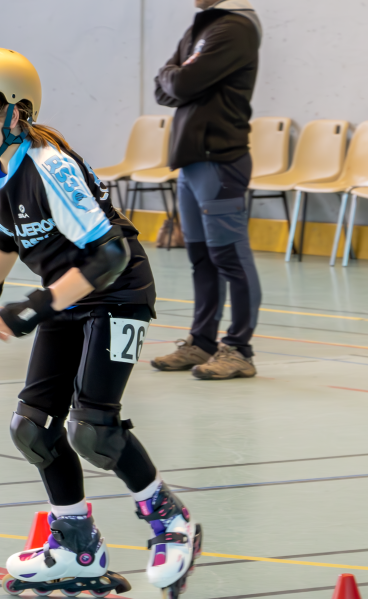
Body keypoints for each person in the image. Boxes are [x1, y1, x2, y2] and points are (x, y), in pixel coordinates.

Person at [0, 48, 202, 599]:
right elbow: (8, 234)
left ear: (15, 114)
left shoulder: (49, 165)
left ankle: (170, 520)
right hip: (69, 293)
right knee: (32, 428)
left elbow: (110, 255)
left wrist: (34, 307)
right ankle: (75, 546)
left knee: (93, 430)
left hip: (117, 293)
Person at [151, 0, 263, 380]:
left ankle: (240, 350)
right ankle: (202, 342)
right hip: (192, 161)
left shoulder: (233, 28)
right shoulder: (203, 27)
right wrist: (177, 76)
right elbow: (163, 89)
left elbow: (180, 84)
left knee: (230, 257)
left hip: (220, 161)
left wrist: (178, 76)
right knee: (202, 258)